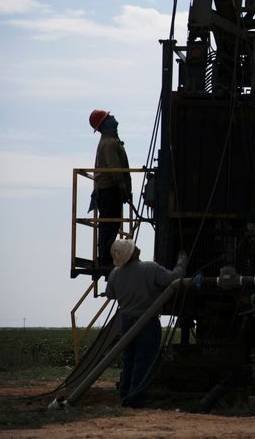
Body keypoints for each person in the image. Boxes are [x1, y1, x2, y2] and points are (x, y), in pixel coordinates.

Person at [105, 238, 188, 407]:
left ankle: (126, 397)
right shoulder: (149, 268)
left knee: (129, 360)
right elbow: (174, 278)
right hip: (147, 322)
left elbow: (110, 295)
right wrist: (182, 261)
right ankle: (136, 400)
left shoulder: (114, 273)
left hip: (127, 323)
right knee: (143, 361)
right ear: (132, 253)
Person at [89, 109, 131, 267]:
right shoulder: (109, 144)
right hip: (109, 191)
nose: (113, 117)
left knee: (112, 224)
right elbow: (115, 170)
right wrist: (123, 189)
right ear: (105, 124)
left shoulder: (112, 142)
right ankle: (106, 258)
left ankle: (107, 256)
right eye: (109, 117)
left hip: (111, 190)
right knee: (109, 225)